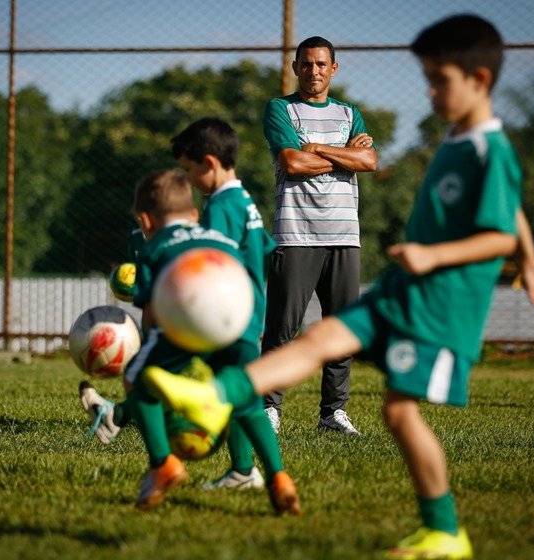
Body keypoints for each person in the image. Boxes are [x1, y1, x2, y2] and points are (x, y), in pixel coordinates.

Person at [144, 14, 534, 559]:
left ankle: (444, 530)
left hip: (441, 300)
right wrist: (530, 259)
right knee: (315, 338)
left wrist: (451, 253)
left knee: (398, 410)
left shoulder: (488, 149)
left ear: (479, 80)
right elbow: (508, 212)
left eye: (439, 81)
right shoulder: (460, 137)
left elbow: (498, 231)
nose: (430, 92)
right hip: (400, 281)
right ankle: (216, 398)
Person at [78, 169, 300, 514]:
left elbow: (153, 317)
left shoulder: (153, 250)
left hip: (189, 320)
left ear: (146, 220)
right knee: (246, 399)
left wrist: (154, 355)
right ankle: (279, 477)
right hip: (237, 318)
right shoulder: (218, 237)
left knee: (138, 378)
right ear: (195, 214)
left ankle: (162, 464)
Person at [260, 35, 378, 435]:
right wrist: (342, 155)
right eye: (306, 64)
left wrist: (319, 149)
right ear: (295, 67)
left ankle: (333, 413)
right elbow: (292, 162)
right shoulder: (280, 109)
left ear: (334, 69)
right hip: (295, 235)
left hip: (345, 236)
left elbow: (369, 160)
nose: (313, 71)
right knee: (282, 329)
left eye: (321, 64)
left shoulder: (349, 113)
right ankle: (268, 407)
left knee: (342, 328)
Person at [171, 117, 287, 491]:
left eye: (189, 172)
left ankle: (264, 474)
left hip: (228, 317)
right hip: (247, 312)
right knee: (237, 395)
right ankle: (243, 470)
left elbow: (211, 260)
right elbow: (265, 247)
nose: (189, 181)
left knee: (243, 400)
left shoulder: (220, 206)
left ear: (208, 162)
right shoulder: (244, 200)